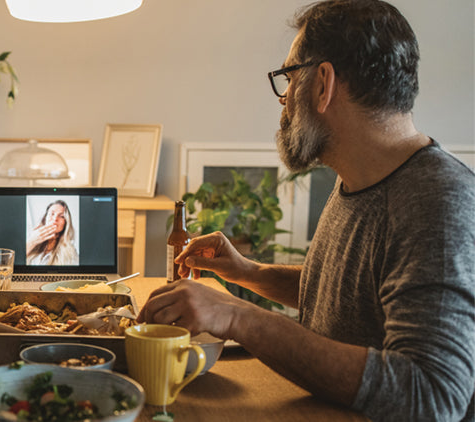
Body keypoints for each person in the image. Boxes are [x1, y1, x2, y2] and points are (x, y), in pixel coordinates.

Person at [137, 1, 475, 420]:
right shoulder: (358, 178)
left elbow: (432, 394)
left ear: (322, 83)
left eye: (288, 78)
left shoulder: (436, 198)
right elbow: (349, 296)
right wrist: (249, 274)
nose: (283, 101)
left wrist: (238, 316)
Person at [26, 199, 78, 265]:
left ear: (66, 223)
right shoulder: (29, 236)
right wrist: (32, 242)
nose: (55, 219)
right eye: (52, 214)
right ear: (45, 218)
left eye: (61, 216)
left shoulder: (71, 252)